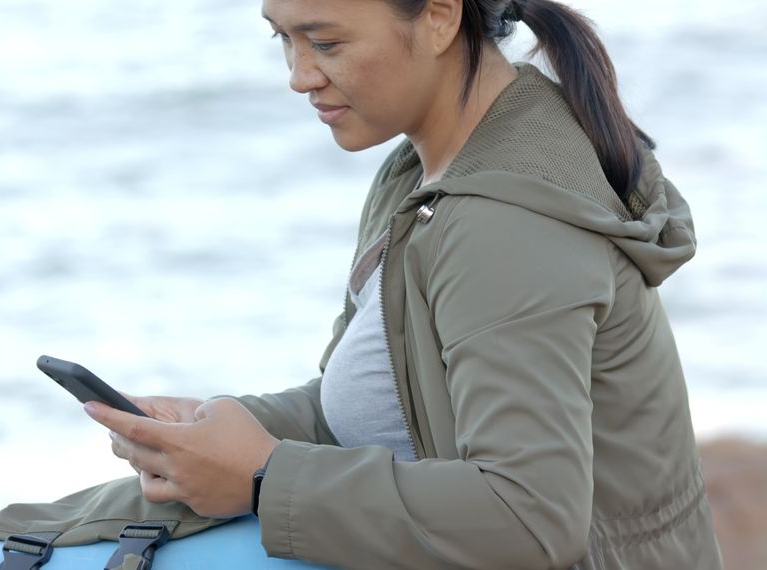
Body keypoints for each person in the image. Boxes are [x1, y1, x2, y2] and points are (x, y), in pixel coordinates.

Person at [84, 0, 724, 567]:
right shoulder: (421, 170)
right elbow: (399, 400)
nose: (299, 74)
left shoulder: (506, 224)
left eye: (325, 42)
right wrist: (216, 432)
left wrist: (262, 477)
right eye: (281, 38)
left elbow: (530, 519)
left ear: (441, 17)